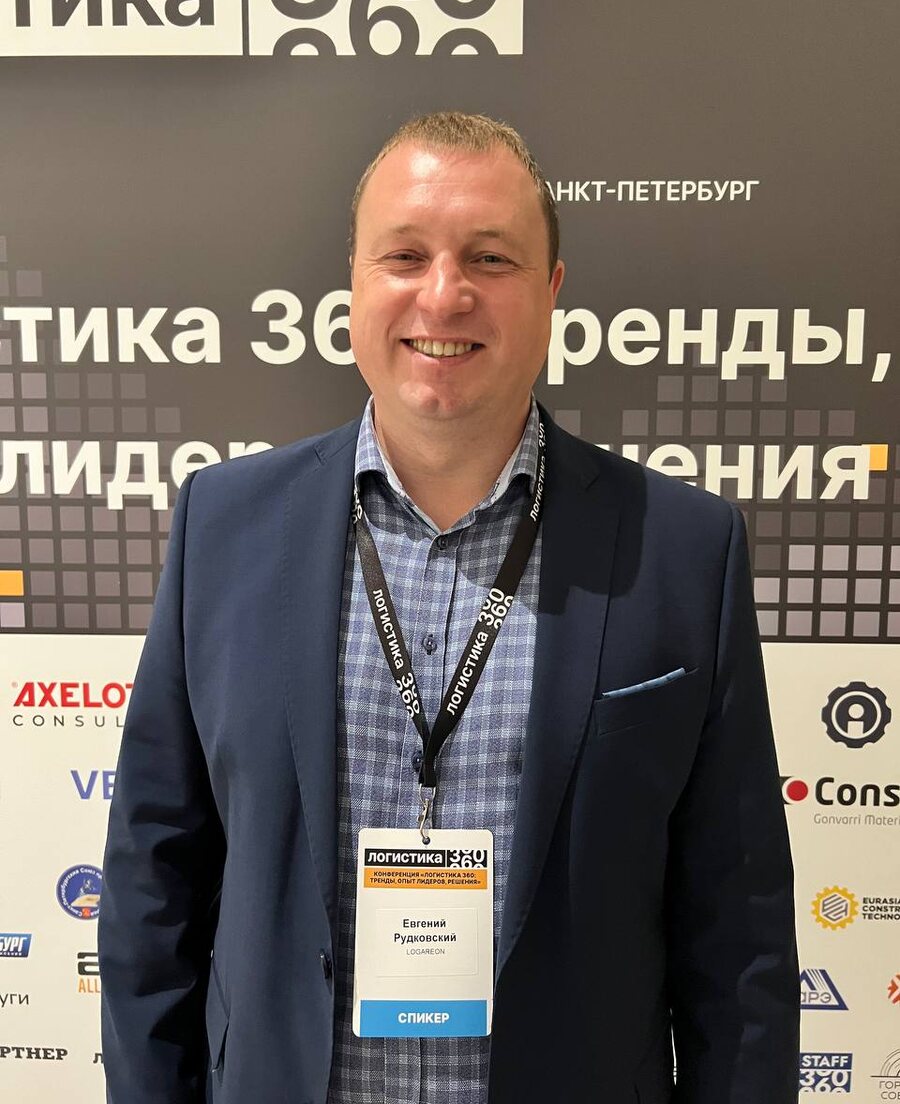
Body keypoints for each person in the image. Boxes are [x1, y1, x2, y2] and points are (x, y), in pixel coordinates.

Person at [99, 111, 799, 1104]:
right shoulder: (226, 525)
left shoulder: (684, 550)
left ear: (551, 291)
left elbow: (740, 936)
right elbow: (152, 886)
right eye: (405, 255)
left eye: (490, 257)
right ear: (354, 281)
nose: (444, 293)